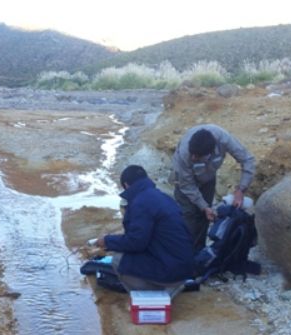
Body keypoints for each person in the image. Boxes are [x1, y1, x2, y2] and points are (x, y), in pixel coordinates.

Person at [96, 165, 194, 292]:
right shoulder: (162, 197)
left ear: (126, 185)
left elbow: (136, 242)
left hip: (171, 271)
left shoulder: (140, 203)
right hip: (185, 268)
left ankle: (154, 293)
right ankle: (168, 286)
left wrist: (107, 241)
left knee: (119, 260)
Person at [170, 124, 256, 252]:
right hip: (184, 183)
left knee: (205, 217)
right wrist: (204, 206)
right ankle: (184, 257)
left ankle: (199, 255)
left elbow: (248, 160)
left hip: (207, 179)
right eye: (192, 154)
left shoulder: (224, 140)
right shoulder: (185, 152)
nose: (193, 158)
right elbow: (187, 185)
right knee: (189, 219)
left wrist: (240, 190)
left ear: (210, 153)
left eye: (197, 156)